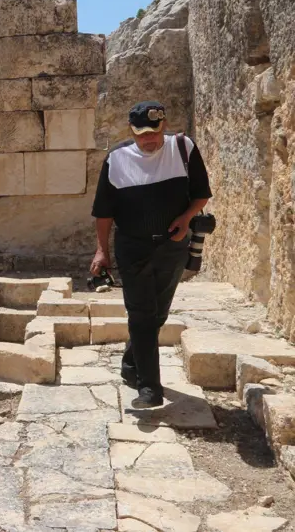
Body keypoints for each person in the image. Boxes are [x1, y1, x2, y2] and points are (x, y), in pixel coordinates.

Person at [91, 101, 212, 408]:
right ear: (131, 131)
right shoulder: (116, 159)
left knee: (157, 314)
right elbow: (104, 212)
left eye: (154, 132)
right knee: (141, 314)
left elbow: (201, 194)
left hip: (172, 246)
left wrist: (186, 219)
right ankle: (150, 388)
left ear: (163, 126)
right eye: (141, 133)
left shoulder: (183, 148)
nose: (148, 139)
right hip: (133, 247)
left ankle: (132, 364)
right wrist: (101, 250)